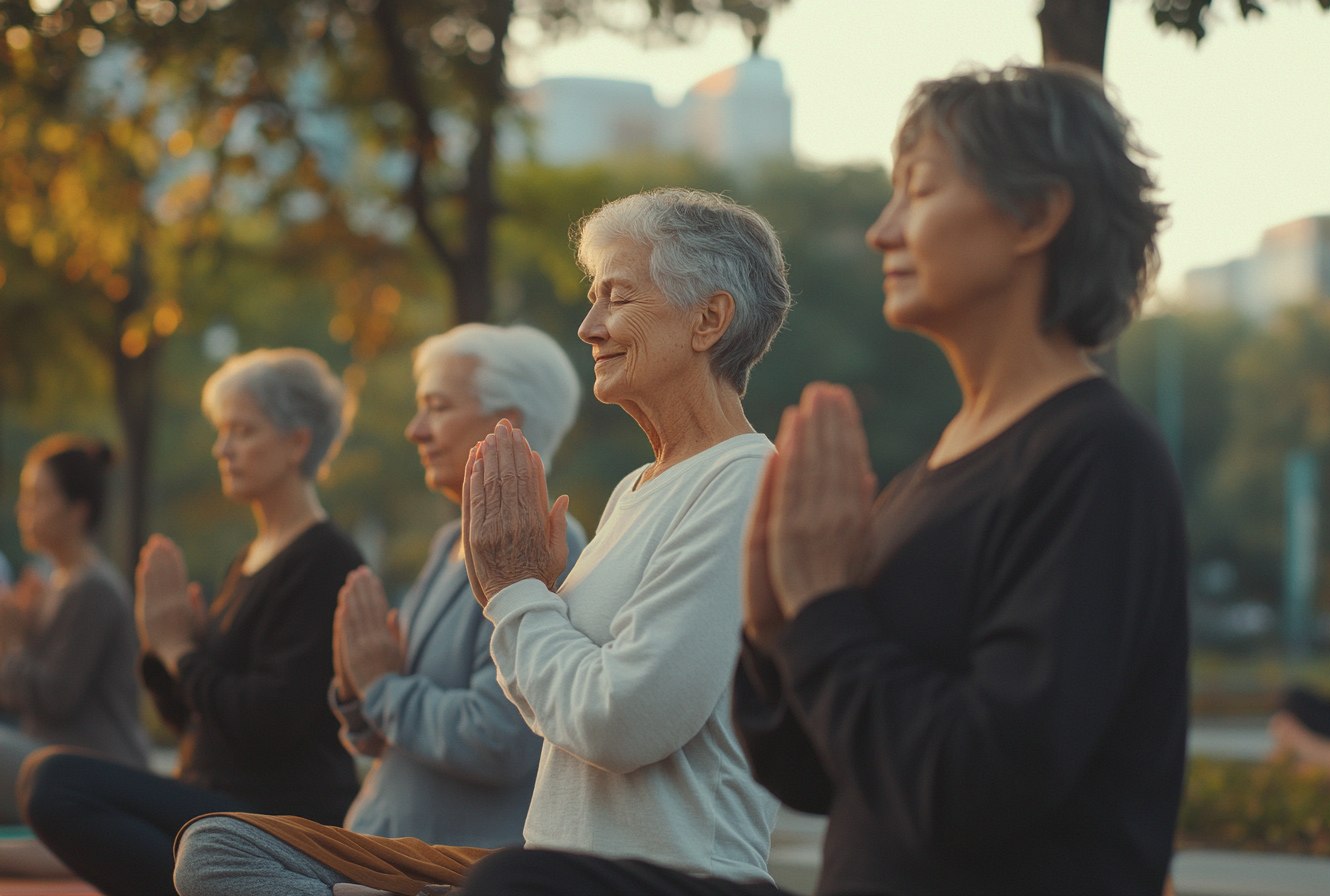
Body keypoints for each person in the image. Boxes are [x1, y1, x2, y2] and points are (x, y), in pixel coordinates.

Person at [456, 64, 1186, 896]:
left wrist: (817, 611)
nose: (882, 230)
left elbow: (981, 779)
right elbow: (810, 772)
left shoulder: (1096, 455)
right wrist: (780, 618)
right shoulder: (933, 476)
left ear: (1037, 215)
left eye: (919, 191)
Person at [172, 187, 791, 896]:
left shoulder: (744, 485)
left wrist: (517, 592)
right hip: (536, 868)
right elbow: (553, 708)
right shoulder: (635, 489)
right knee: (222, 849)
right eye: (593, 299)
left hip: (655, 878)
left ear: (709, 318)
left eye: (617, 298)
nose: (589, 326)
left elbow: (621, 722)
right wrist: (530, 603)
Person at [22, 349, 364, 896]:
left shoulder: (324, 558)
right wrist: (163, 650)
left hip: (277, 817)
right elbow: (193, 724)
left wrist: (181, 650)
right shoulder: (249, 557)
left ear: (297, 442)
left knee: (56, 782)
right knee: (47, 782)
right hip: (213, 793)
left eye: (242, 431)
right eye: (221, 431)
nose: (222, 448)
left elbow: (269, 721)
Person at [331, 324, 587, 846]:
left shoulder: (547, 549)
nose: (416, 429)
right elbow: (386, 735)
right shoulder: (450, 540)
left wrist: (380, 689)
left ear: (506, 425)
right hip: (376, 848)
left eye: (438, 407)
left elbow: (498, 741)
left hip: (443, 872)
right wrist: (358, 687)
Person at [0, 436, 150, 821]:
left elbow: (54, 698)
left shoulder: (93, 587)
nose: (23, 508)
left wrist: (13, 640)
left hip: (98, 772)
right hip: (54, 760)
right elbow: (15, 697)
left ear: (77, 511)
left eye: (38, 497)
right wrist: (24, 630)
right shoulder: (59, 584)